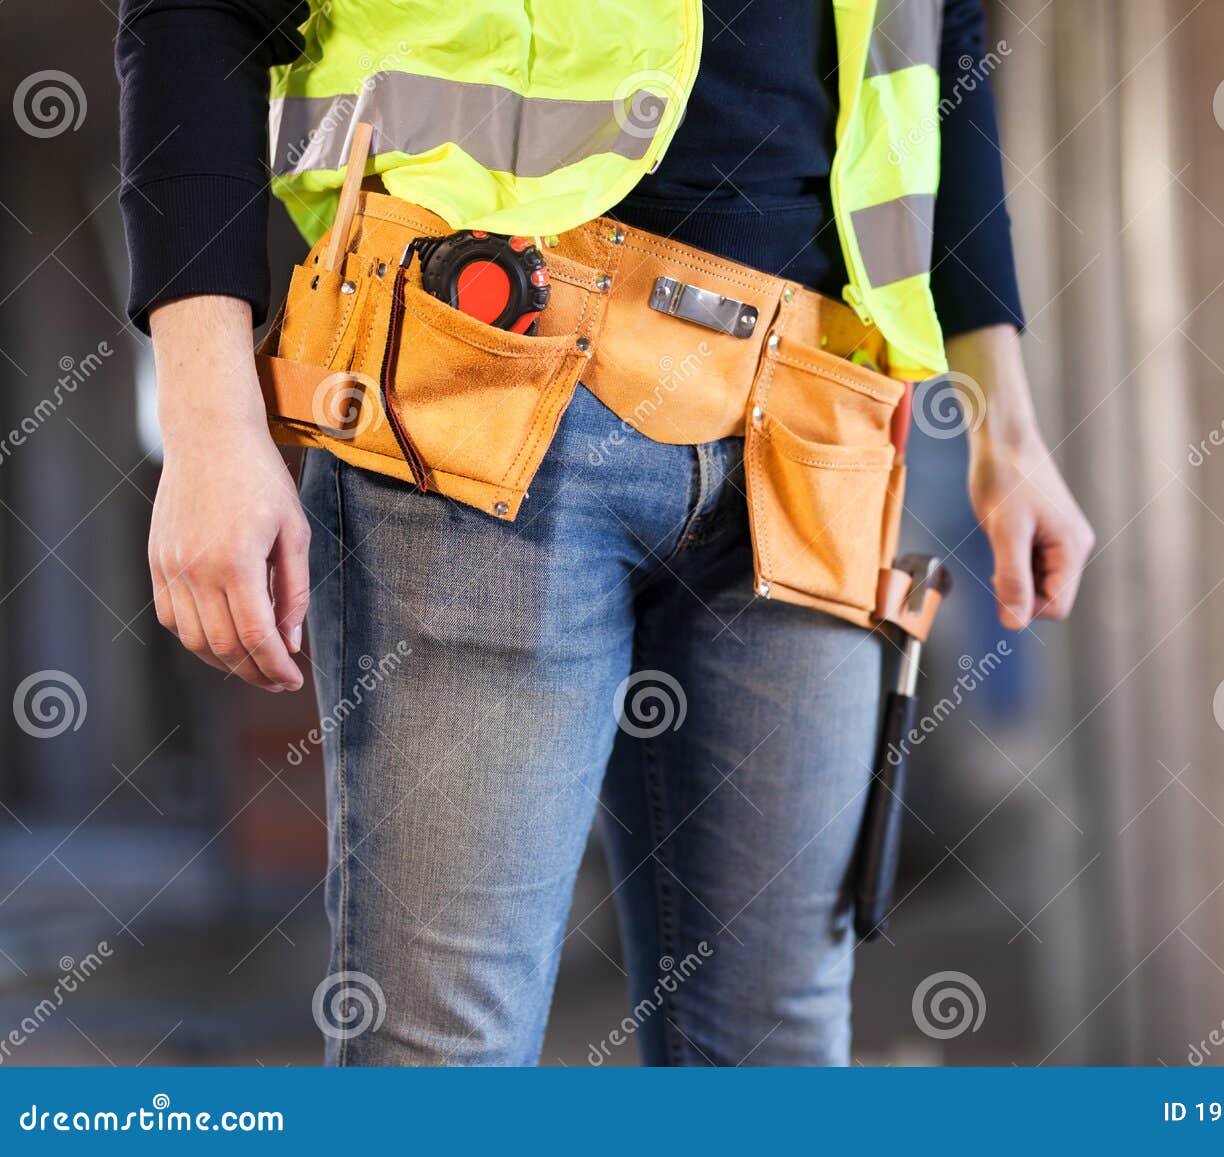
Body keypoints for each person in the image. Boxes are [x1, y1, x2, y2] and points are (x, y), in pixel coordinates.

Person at [116, 0, 1095, 1065]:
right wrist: (209, 419)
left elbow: (938, 52)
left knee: (779, 1054)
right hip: (483, 371)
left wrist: (1005, 414)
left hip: (816, 416)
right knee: (446, 1053)